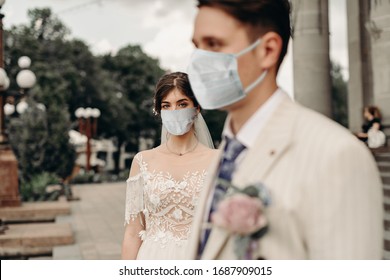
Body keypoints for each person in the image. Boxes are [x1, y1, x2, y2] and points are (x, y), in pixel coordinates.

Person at [186, 0, 383, 259]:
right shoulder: (225, 151)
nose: (198, 61)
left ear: (267, 50)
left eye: (213, 44)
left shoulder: (337, 154)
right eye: (197, 46)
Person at [121, 71, 218, 259]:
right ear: (160, 111)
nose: (175, 112)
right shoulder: (142, 161)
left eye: (182, 104)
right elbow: (133, 232)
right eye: (167, 106)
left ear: (196, 107)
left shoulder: (217, 160)